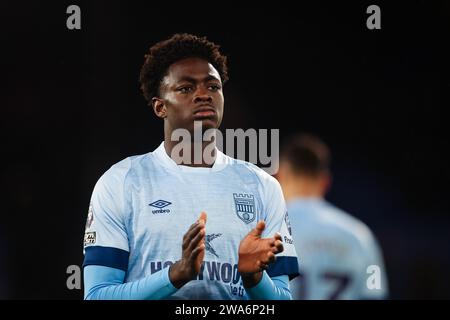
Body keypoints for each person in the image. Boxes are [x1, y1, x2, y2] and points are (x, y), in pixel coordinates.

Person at [82, 33, 299, 300]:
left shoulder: (262, 186)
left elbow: (282, 299)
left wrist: (254, 279)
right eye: (186, 88)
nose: (203, 95)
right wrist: (175, 276)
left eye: (212, 87)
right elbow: (97, 296)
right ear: (160, 107)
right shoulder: (121, 182)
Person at [277, 133, 388, 299]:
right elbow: (375, 294)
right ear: (325, 181)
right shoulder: (360, 235)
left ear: (280, 175)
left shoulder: (268, 230)